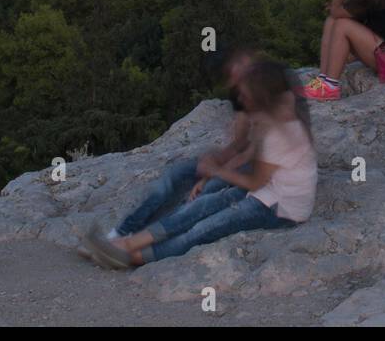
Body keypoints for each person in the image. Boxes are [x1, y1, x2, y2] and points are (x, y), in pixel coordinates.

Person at [84, 60, 317, 268]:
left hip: (281, 210)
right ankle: (124, 244)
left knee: (203, 229)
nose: (240, 100)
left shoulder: (280, 132)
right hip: (267, 194)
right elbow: (247, 157)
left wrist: (215, 171)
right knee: (200, 205)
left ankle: (133, 256)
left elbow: (256, 181)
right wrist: (210, 178)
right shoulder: (268, 119)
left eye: (245, 95)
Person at [78, 48, 257, 258]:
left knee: (201, 196)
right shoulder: (241, 94)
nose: (232, 80)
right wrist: (213, 160)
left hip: (248, 171)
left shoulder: (269, 95)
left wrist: (212, 174)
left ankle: (135, 246)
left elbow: (253, 153)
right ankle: (119, 234)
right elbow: (239, 143)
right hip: (233, 163)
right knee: (173, 176)